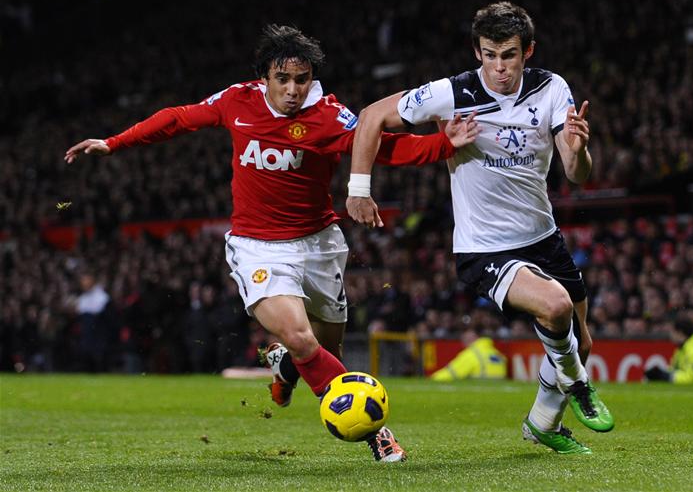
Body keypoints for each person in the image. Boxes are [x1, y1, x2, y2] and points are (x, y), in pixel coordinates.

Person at [65, 24, 479, 462]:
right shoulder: (236, 101)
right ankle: (377, 432)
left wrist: (442, 144)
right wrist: (114, 142)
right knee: (302, 339)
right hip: (257, 246)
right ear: (264, 77)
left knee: (325, 348)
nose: (293, 89)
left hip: (319, 246)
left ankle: (284, 368)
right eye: (283, 79)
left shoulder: (329, 116)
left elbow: (383, 147)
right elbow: (178, 118)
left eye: (302, 80)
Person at [346, 1, 613, 454]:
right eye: (489, 54)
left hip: (543, 237)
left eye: (508, 54)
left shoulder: (552, 89)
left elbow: (576, 173)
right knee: (556, 306)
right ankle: (578, 383)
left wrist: (580, 148)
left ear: (528, 51)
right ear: (477, 52)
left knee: (581, 341)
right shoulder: (453, 93)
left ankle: (543, 423)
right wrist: (358, 188)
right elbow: (371, 116)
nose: (499, 66)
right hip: (485, 247)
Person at [645, 318, 693, 384]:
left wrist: (666, 376)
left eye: (672, 331)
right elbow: (674, 370)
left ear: (680, 333)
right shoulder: (681, 350)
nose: (670, 335)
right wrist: (661, 374)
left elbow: (691, 379)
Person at [430, 329, 507, 381]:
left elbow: (452, 373)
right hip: (500, 387)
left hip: (481, 387)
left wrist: (432, 379)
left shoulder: (471, 354)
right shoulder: (494, 352)